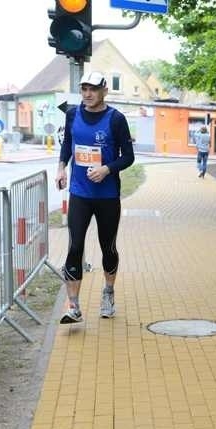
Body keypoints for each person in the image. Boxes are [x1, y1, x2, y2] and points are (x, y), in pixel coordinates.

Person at [55, 70, 135, 324]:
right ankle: (73, 306)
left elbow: (128, 156)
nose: (88, 94)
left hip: (107, 195)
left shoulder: (116, 119)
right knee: (75, 246)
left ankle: (108, 293)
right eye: (84, 89)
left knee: (107, 247)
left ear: (104, 91)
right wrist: (60, 168)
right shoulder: (72, 114)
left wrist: (107, 169)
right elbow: (68, 143)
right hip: (79, 193)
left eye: (93, 89)